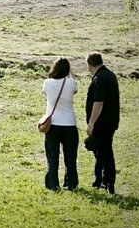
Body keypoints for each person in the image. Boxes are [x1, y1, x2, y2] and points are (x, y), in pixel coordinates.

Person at [85, 52, 120, 194]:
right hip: (110, 121)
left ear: (89, 64)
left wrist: (91, 123)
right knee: (99, 151)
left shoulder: (100, 78)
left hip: (102, 123)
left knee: (104, 153)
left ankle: (109, 182)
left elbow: (98, 103)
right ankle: (99, 179)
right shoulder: (108, 75)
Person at [42, 58, 79, 191]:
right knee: (70, 157)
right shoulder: (71, 83)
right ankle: (71, 183)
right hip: (69, 124)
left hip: (53, 125)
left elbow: (45, 94)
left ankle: (52, 183)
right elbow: (75, 90)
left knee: (52, 156)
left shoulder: (47, 83)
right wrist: (72, 75)